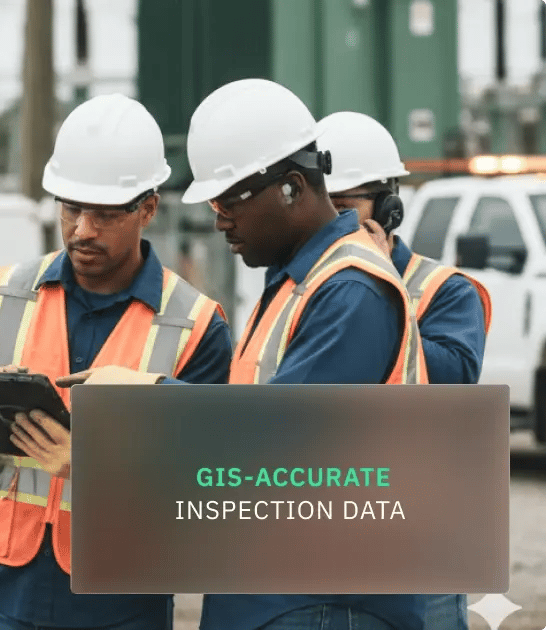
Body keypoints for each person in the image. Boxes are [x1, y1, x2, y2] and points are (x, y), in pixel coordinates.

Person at [0, 92, 234, 630]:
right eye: (71, 208)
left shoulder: (198, 326)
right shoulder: (4, 296)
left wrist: (96, 465)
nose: (83, 229)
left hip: (123, 605)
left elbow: (212, 476)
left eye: (105, 214)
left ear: (148, 208)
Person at [183, 79, 429, 630]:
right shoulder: (298, 282)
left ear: (293, 187)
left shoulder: (351, 292)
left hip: (325, 603)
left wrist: (143, 402)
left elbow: (273, 445)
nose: (220, 218)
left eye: (229, 199)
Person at [316, 110, 492, 630]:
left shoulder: (444, 291)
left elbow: (452, 383)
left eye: (345, 208)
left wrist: (376, 292)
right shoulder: (301, 290)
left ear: (388, 208)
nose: (333, 225)